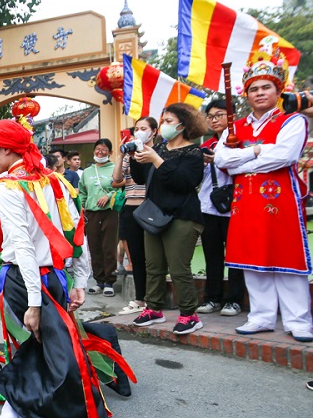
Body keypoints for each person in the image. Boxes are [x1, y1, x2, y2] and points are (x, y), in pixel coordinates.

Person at [0, 119, 134, 418]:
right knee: (48, 346)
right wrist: (78, 278)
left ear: (7, 149)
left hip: (24, 279)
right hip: (55, 277)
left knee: (36, 346)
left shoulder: (7, 186)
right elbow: (77, 235)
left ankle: (14, 416)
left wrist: (34, 303)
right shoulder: (58, 180)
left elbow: (23, 247)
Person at [214, 41, 313, 343]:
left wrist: (242, 157)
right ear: (246, 93)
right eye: (254, 88)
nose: (259, 92)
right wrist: (257, 150)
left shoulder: (292, 121)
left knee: (286, 259)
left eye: (266, 87)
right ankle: (261, 316)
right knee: (252, 260)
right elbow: (221, 161)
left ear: (278, 90)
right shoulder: (235, 127)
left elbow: (284, 156)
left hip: (281, 201)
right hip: (245, 204)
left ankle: (299, 320)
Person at [130, 103, 206, 335]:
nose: (163, 125)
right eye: (163, 121)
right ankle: (154, 308)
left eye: (169, 121)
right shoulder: (159, 149)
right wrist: (136, 156)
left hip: (182, 216)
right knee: (153, 266)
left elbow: (184, 182)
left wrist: (156, 159)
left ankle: (189, 314)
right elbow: (141, 178)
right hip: (154, 215)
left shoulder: (193, 152)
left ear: (183, 125)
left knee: (178, 268)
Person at [197, 100, 246, 317]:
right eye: (210, 116)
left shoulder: (240, 143)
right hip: (208, 206)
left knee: (235, 255)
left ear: (232, 116)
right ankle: (212, 298)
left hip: (236, 207)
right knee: (212, 254)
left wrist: (218, 159)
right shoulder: (206, 145)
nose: (214, 119)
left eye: (219, 115)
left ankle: (233, 300)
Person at [111, 117, 158, 316]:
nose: (139, 132)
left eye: (144, 128)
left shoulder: (157, 153)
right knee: (136, 257)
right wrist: (122, 155)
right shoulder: (130, 154)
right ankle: (140, 299)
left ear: (154, 131)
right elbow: (116, 179)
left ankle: (156, 300)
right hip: (131, 208)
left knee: (154, 257)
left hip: (151, 208)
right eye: (137, 128)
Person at [78, 138, 119, 297]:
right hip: (91, 213)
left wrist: (109, 196)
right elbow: (82, 191)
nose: (100, 152)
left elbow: (121, 188)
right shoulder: (87, 172)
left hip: (110, 212)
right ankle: (99, 281)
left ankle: (109, 281)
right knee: (94, 247)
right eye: (97, 149)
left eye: (104, 150)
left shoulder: (115, 168)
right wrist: (81, 205)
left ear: (110, 153)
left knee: (108, 247)